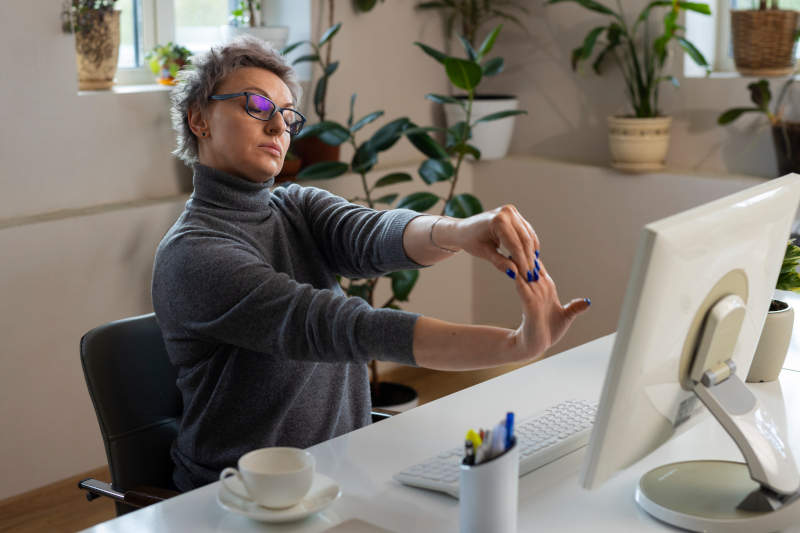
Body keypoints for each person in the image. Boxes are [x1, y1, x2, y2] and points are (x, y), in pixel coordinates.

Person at [152, 35, 590, 493]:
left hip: (340, 471)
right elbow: (342, 328)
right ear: (199, 119)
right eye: (257, 105)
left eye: (287, 116)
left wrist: (461, 230)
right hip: (242, 496)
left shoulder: (296, 206)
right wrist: (513, 347)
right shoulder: (193, 254)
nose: (278, 127)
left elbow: (374, 236)